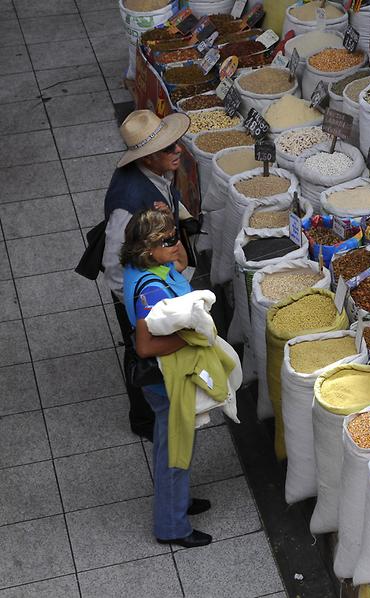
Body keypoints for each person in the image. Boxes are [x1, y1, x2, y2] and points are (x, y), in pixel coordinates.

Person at [120, 208, 212, 548]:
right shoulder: (151, 290)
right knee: (174, 454)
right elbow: (145, 346)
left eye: (176, 235)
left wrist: (172, 236)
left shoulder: (142, 265)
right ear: (147, 248)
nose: (176, 244)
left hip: (170, 380)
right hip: (167, 382)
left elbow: (181, 264)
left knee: (174, 446)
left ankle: (180, 501)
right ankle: (172, 526)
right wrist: (193, 337)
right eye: (168, 240)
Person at [104, 109, 191, 440]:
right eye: (168, 148)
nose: (178, 150)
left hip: (157, 280)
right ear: (147, 157)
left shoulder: (157, 176)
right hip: (140, 292)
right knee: (140, 350)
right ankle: (144, 419)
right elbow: (114, 264)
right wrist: (129, 303)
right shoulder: (128, 203)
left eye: (176, 143)